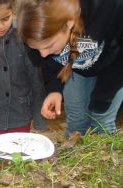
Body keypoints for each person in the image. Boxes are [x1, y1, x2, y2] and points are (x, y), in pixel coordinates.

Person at [16, 0, 123, 136]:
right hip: (74, 69)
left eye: (49, 45)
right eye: (36, 48)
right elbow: (48, 63)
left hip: (114, 68)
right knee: (76, 121)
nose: (43, 54)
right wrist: (54, 89)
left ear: (69, 23)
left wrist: (103, 98)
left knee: (101, 120)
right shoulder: (32, 27)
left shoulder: (110, 7)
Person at [0, 0, 46, 140]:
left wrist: (39, 118)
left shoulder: (23, 37)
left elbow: (35, 80)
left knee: (19, 152)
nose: (0, 26)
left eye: (6, 19)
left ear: (12, 12)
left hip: (20, 109)